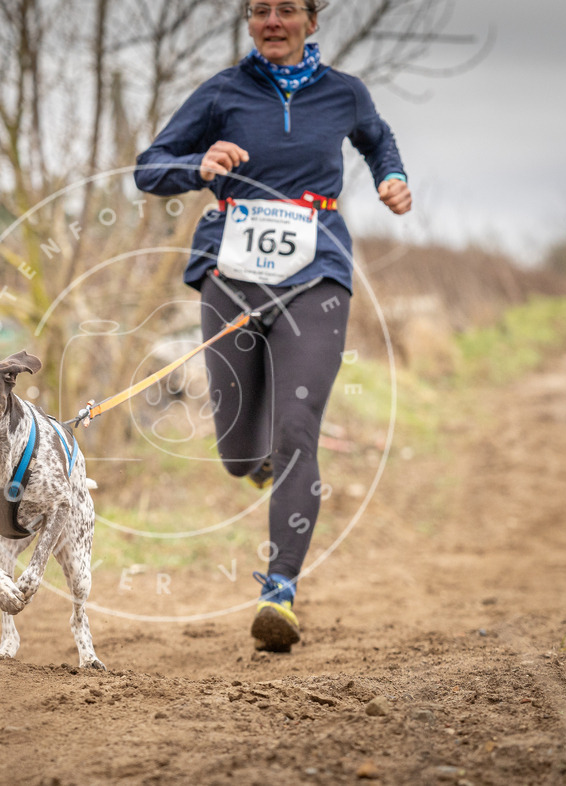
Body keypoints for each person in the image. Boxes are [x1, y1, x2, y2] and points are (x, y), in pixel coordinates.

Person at [134, 0, 412, 652]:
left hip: (317, 276)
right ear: (250, 22)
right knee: (238, 453)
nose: (272, 20)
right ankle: (260, 462)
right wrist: (198, 167)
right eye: (260, 10)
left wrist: (391, 177)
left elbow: (378, 138)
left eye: (287, 8)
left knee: (297, 427)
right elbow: (151, 168)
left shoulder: (345, 93)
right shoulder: (223, 93)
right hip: (231, 277)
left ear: (312, 21)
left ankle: (279, 592)